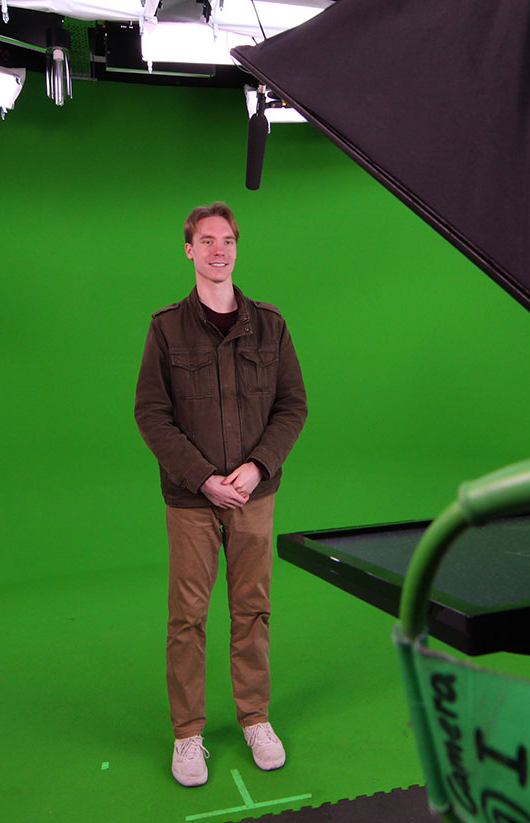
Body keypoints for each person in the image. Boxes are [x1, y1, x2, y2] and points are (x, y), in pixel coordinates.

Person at [134, 201, 308, 787]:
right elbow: (152, 415)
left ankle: (255, 718)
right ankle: (188, 734)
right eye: (206, 241)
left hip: (255, 496)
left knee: (252, 609)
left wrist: (258, 467)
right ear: (189, 250)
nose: (218, 250)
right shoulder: (165, 328)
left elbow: (292, 407)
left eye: (227, 241)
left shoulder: (272, 325)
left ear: (237, 248)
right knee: (187, 617)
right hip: (192, 501)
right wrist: (204, 478)